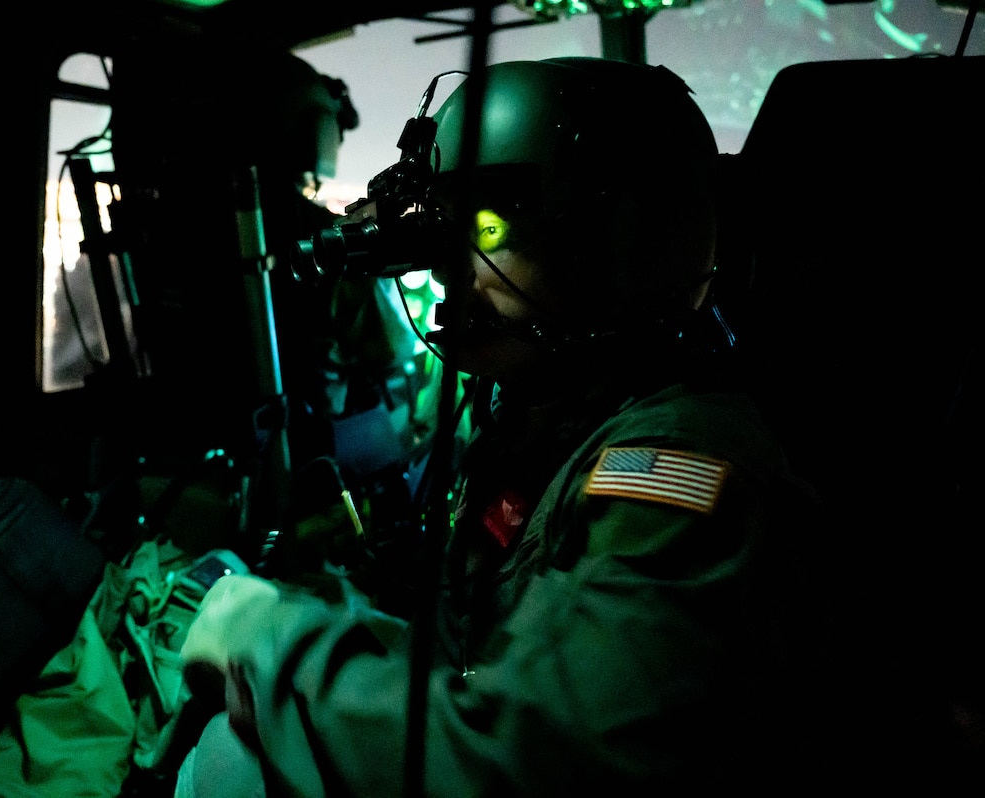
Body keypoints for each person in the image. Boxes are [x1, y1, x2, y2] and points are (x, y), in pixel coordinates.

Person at [173, 57, 833, 795]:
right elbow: (478, 639)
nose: (447, 272)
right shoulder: (544, 414)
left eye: (487, 226)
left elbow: (535, 764)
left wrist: (271, 645)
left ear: (621, 244)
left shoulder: (686, 471)